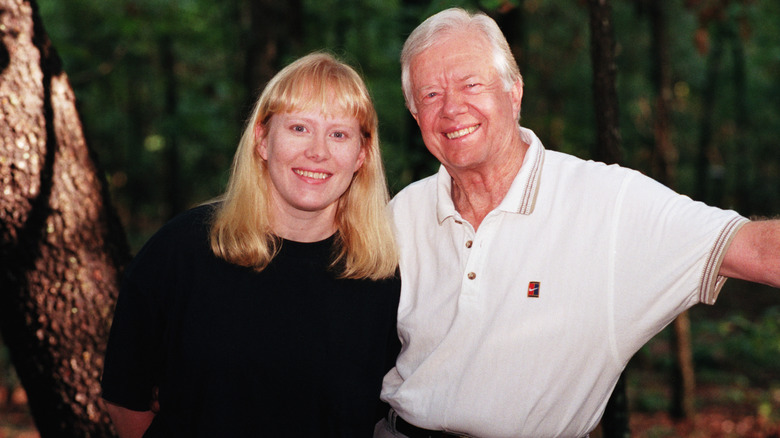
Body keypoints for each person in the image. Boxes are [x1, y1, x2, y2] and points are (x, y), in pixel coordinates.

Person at [374, 8, 780, 438]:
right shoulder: (402, 215)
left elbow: (757, 250)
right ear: (416, 115)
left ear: (514, 92)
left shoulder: (608, 203)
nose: (452, 108)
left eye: (471, 84)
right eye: (431, 95)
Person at [100, 52, 401, 437]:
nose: (318, 151)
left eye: (339, 134)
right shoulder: (181, 251)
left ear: (361, 154)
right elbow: (125, 397)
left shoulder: (384, 278)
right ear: (262, 139)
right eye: (299, 128)